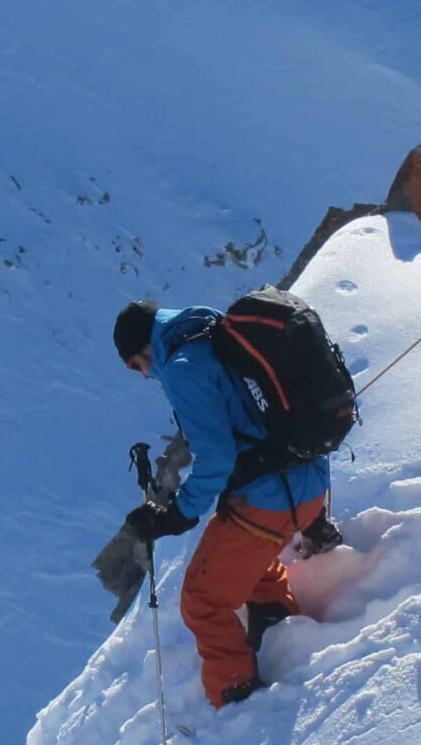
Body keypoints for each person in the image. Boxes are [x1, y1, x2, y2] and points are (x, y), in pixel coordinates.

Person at [115, 300, 330, 708]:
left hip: (274, 498)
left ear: (143, 350)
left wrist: (176, 515)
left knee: (201, 600)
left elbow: (216, 458)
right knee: (245, 551)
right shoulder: (212, 326)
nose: (141, 375)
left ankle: (236, 696)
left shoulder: (181, 368)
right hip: (312, 482)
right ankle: (274, 619)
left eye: (133, 366)